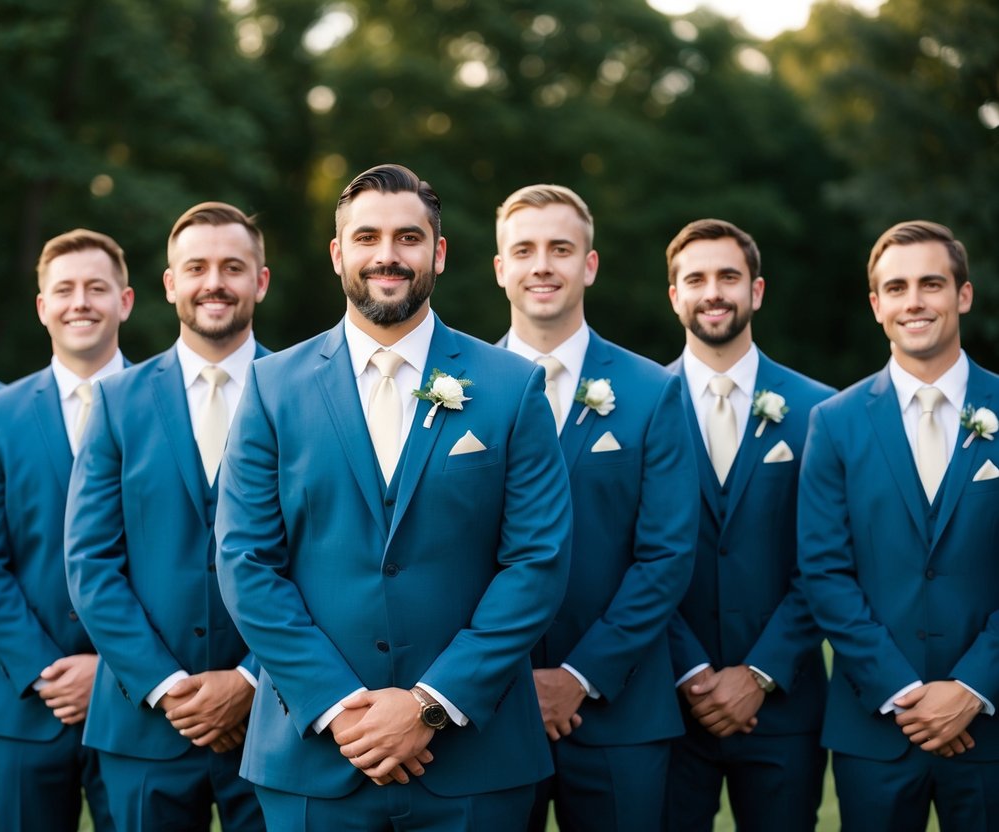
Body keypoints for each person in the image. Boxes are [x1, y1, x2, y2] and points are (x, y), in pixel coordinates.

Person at [214, 163, 572, 831]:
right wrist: (338, 705)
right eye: (367, 237)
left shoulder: (511, 386)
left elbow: (537, 561)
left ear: (438, 253)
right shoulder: (271, 387)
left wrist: (431, 703)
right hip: (314, 757)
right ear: (337, 254)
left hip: (475, 761)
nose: (387, 255)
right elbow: (246, 561)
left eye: (408, 238)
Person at [490, 184, 697, 831]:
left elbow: (666, 555)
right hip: (489, 708)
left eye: (560, 248)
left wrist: (580, 675)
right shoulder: (462, 390)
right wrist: (501, 673)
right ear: (499, 268)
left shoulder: (652, 390)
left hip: (620, 709)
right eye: (524, 250)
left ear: (589, 264)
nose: (541, 265)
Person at [64, 203, 269, 832]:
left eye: (233, 267)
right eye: (197, 268)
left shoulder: (301, 391)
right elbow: (90, 561)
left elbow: (325, 559)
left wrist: (250, 681)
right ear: (170, 283)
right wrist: (165, 685)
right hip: (143, 721)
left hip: (273, 720)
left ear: (260, 281)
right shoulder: (117, 401)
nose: (215, 283)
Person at [798, 220, 999, 831]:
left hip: (992, 722)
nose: (914, 301)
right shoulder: (834, 422)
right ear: (876, 305)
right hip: (876, 726)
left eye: (931, 284)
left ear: (963, 295)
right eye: (897, 288)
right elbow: (824, 571)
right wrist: (902, 691)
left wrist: (972, 686)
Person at [0, 228, 135, 831]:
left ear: (125, 301)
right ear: (42, 306)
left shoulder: (161, 403)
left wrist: (110, 668)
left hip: (136, 702)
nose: (80, 302)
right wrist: (42, 669)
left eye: (96, 288)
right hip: (24, 702)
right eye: (64, 289)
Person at [663, 219, 832, 831]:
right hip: (668, 704)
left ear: (756, 291)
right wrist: (692, 673)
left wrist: (761, 673)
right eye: (696, 279)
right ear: (675, 295)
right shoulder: (637, 407)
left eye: (729, 277)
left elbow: (829, 559)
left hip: (785, 706)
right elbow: (630, 557)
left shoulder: (820, 411)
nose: (713, 292)